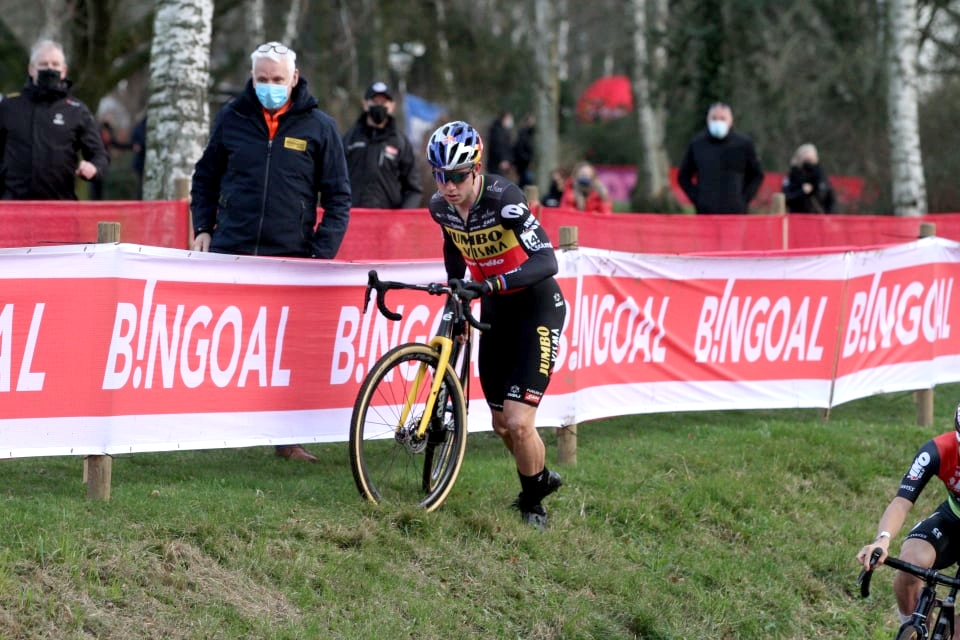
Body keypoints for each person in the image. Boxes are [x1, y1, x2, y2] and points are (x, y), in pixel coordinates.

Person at [190, 41, 351, 463]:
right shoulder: (231, 118)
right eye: (262, 79)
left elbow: (338, 198)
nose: (269, 87)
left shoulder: (320, 127)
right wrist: (202, 227)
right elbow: (204, 178)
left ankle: (287, 439)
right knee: (223, 347)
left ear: (294, 79)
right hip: (232, 250)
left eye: (277, 79)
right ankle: (210, 430)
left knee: (287, 354)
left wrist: (320, 255)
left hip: (291, 259)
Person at [425, 120, 566, 530]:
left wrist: (490, 283)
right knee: (502, 424)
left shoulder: (505, 198)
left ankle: (533, 504)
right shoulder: (440, 207)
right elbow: (452, 244)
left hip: (536, 307)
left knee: (521, 422)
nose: (448, 186)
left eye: (456, 176)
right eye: (440, 176)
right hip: (496, 312)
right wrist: (457, 289)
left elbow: (547, 262)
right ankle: (539, 478)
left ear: (476, 168)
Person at [856, 403, 960, 629]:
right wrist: (882, 540)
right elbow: (901, 502)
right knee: (910, 564)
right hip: (951, 518)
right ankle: (912, 628)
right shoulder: (936, 451)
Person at [0, 39, 109, 200]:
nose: (49, 69)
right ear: (31, 69)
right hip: (14, 207)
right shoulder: (9, 107)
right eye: (43, 64)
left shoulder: (77, 111)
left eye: (55, 64)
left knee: (111, 226)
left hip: (60, 208)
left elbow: (99, 155)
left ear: (64, 71)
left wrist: (94, 168)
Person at [342, 81, 421, 209]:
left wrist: (402, 221)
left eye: (384, 102)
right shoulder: (349, 139)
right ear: (365, 104)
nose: (379, 106)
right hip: (354, 219)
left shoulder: (401, 142)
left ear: (392, 106)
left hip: (387, 222)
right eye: (375, 101)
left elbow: (413, 189)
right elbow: (334, 180)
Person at [677, 102, 764, 214]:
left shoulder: (744, 145)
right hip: (706, 213)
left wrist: (743, 199)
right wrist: (697, 199)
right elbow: (683, 176)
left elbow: (756, 175)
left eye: (723, 118)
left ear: (730, 121)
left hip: (735, 213)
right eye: (714, 118)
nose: (718, 122)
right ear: (708, 120)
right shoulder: (697, 145)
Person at [782, 143, 835, 213]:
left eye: (810, 160)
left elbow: (829, 199)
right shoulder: (792, 177)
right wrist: (801, 192)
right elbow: (786, 198)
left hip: (817, 218)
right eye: (806, 160)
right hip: (796, 217)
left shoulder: (821, 177)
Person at [485, 110, 515, 179]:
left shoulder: (503, 131)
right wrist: (503, 160)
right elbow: (499, 147)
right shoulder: (497, 131)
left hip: (497, 165)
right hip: (496, 165)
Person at [512, 114, 535, 189]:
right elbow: (520, 149)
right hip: (524, 164)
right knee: (526, 182)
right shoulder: (523, 134)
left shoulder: (530, 134)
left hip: (524, 163)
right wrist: (527, 160)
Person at [130, 116, 147, 199]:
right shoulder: (142, 126)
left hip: (140, 162)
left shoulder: (139, 127)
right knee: (141, 186)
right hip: (141, 162)